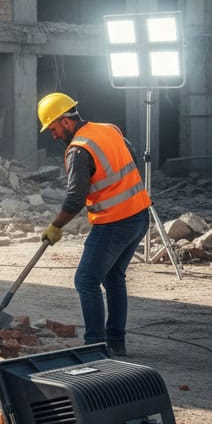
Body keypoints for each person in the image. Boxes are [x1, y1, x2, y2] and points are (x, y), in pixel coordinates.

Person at [37, 92, 150, 357]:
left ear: (65, 121)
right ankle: (116, 343)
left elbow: (75, 199)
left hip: (114, 222)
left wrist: (56, 226)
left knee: (86, 280)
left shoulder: (79, 149)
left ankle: (94, 346)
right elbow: (132, 158)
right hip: (139, 215)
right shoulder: (109, 129)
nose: (53, 135)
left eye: (53, 128)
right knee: (113, 277)